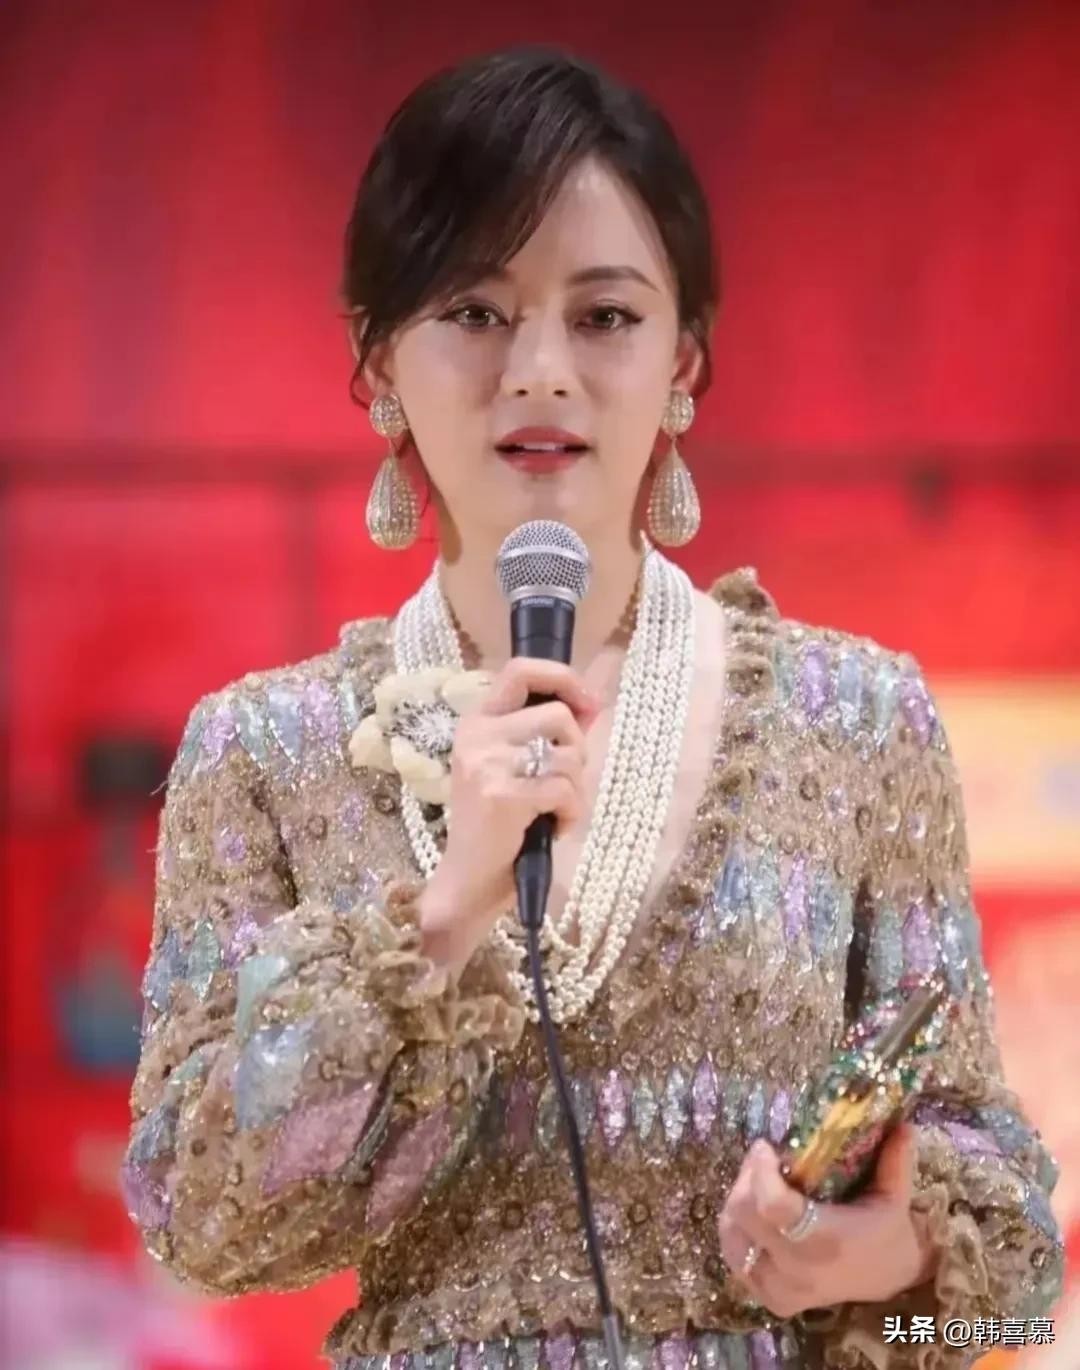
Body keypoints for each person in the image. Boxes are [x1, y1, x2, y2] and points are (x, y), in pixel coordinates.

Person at [123, 46, 1063, 1370]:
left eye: (606, 316)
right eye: (476, 310)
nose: (542, 370)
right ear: (378, 361)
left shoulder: (857, 722)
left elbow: (1014, 1270)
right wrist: (443, 914)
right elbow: (195, 1219)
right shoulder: (268, 753)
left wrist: (878, 1260)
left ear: (686, 360)